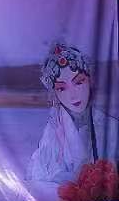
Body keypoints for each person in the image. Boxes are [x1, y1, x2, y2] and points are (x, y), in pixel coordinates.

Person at [27, 43, 119, 186]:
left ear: (90, 81)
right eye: (62, 88)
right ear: (55, 92)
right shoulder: (52, 132)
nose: (73, 95)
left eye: (79, 82)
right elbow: (37, 180)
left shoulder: (111, 127)